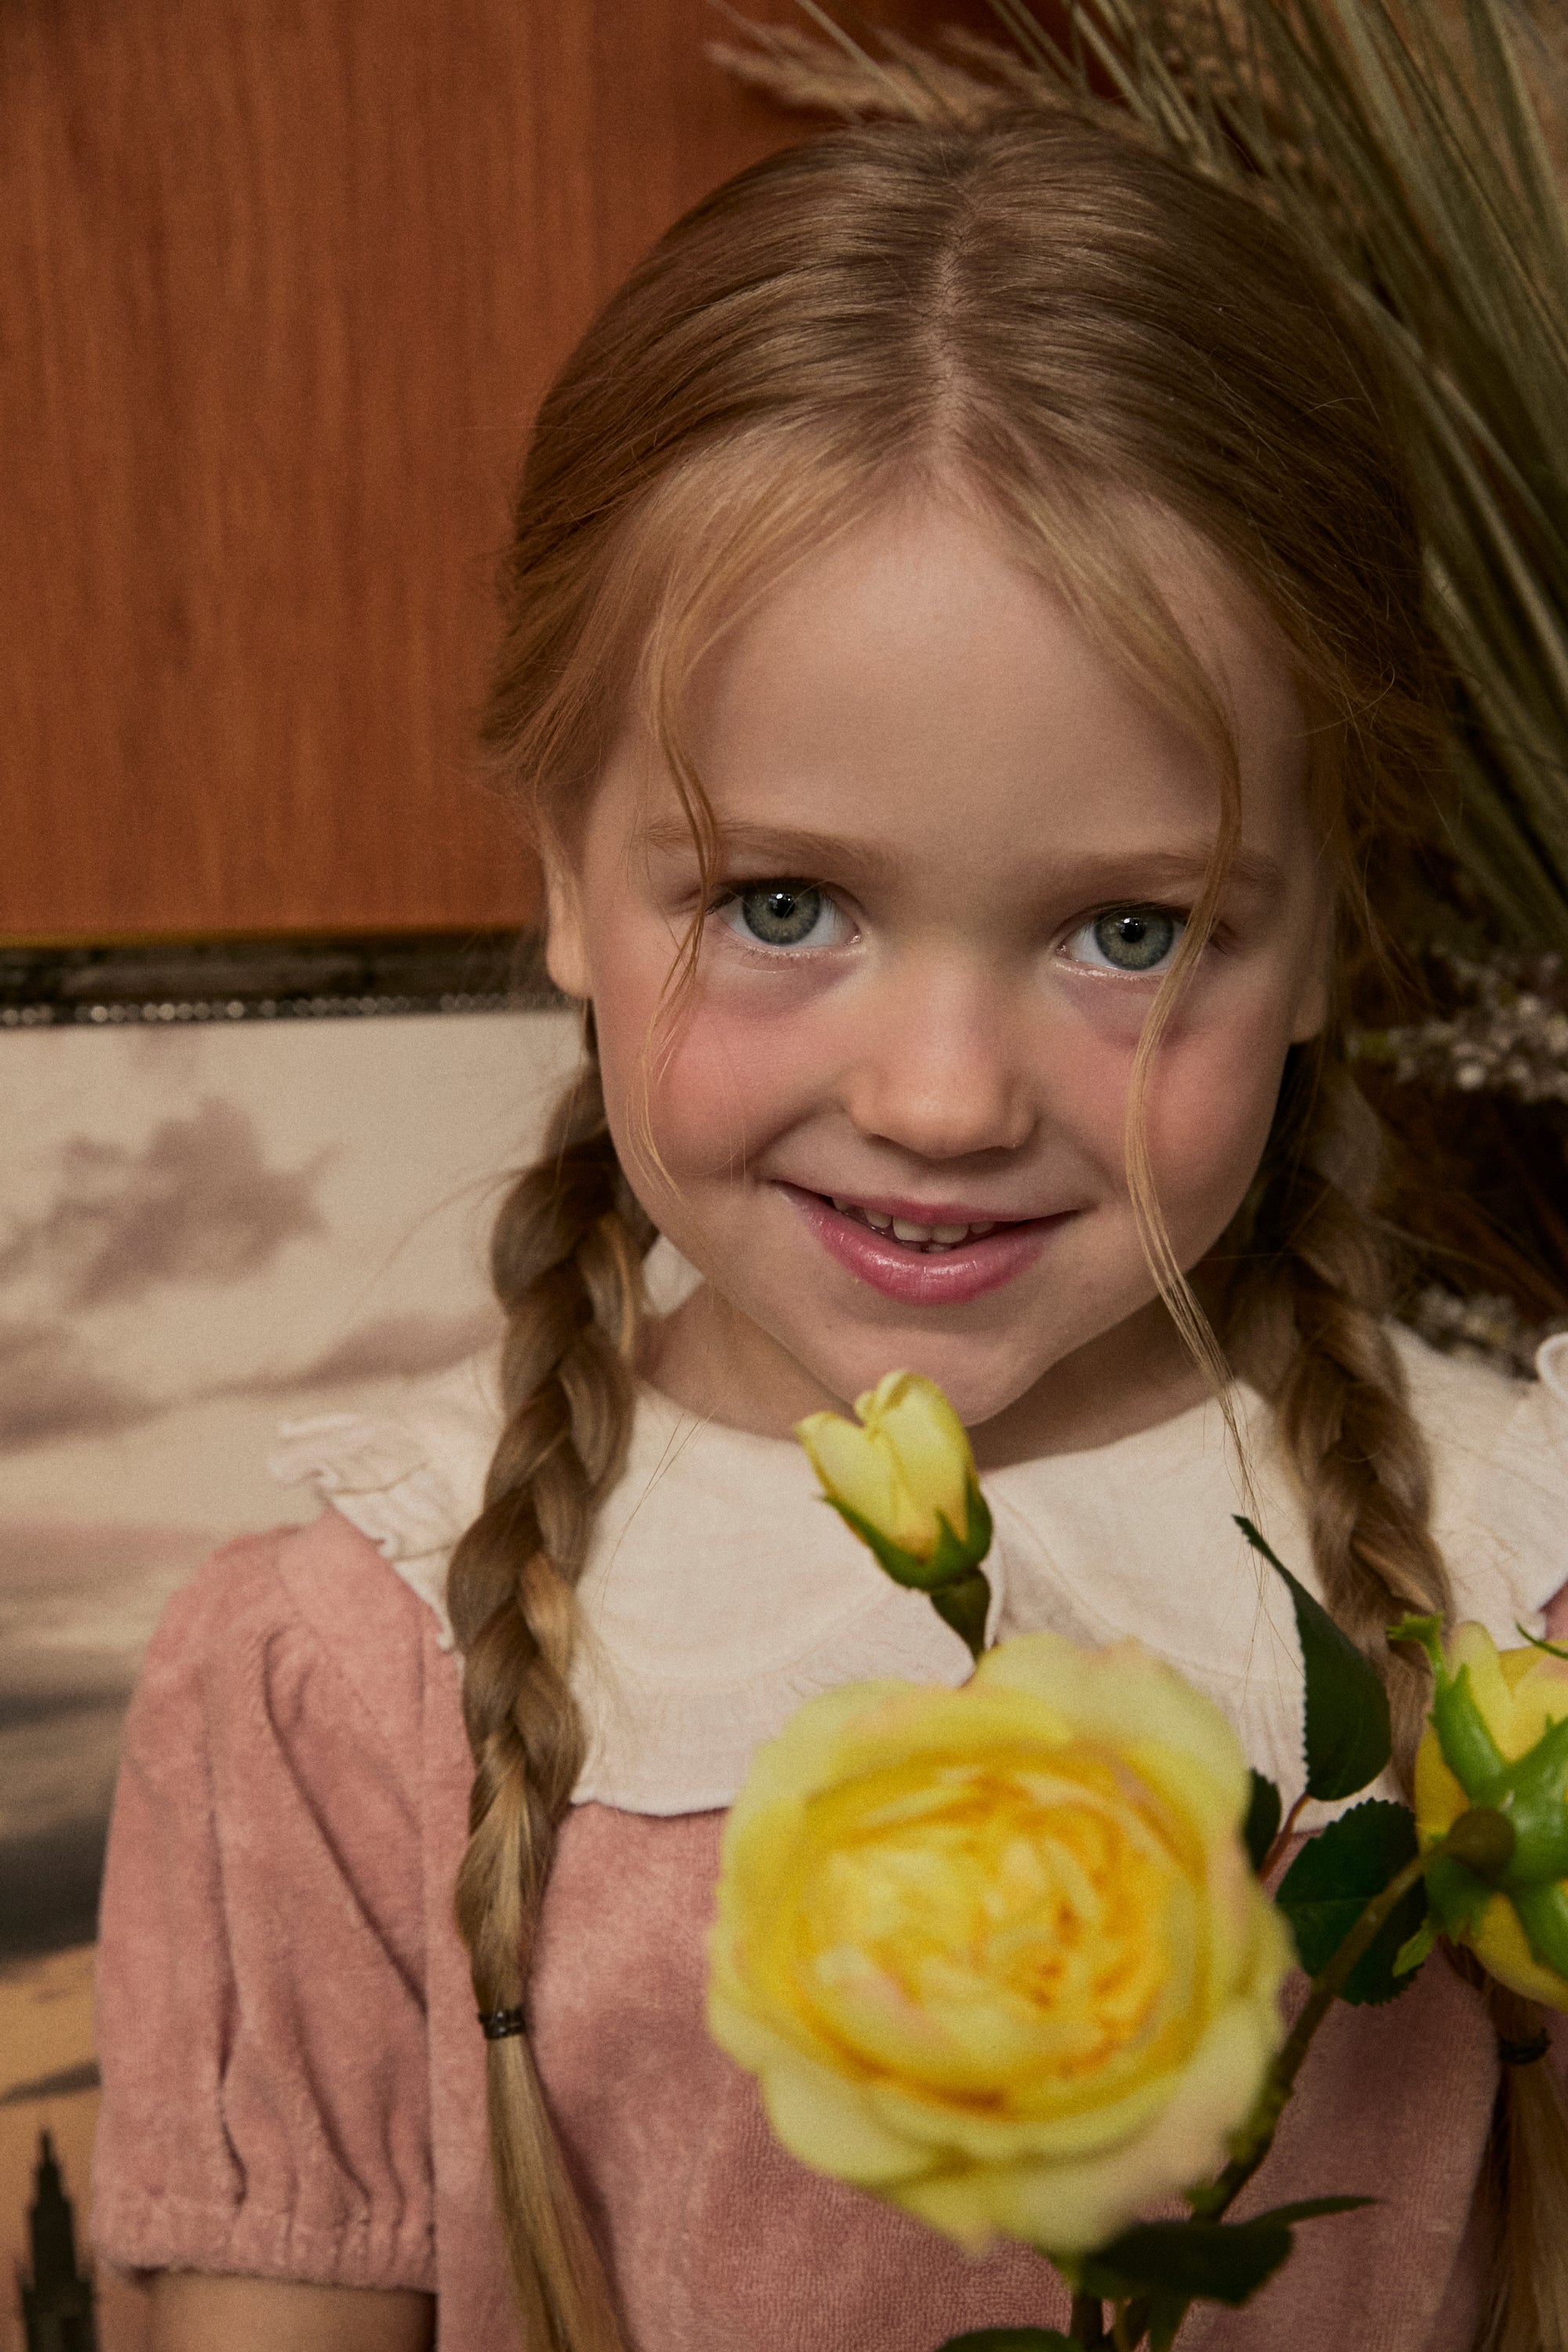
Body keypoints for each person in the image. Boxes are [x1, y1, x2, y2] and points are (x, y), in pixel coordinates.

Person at [93, 111, 1568, 2352]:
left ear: (1333, 922)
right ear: (566, 877)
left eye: (1131, 928)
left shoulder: (1525, 1619)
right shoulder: (341, 1681)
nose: (944, 1100)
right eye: (785, 904)